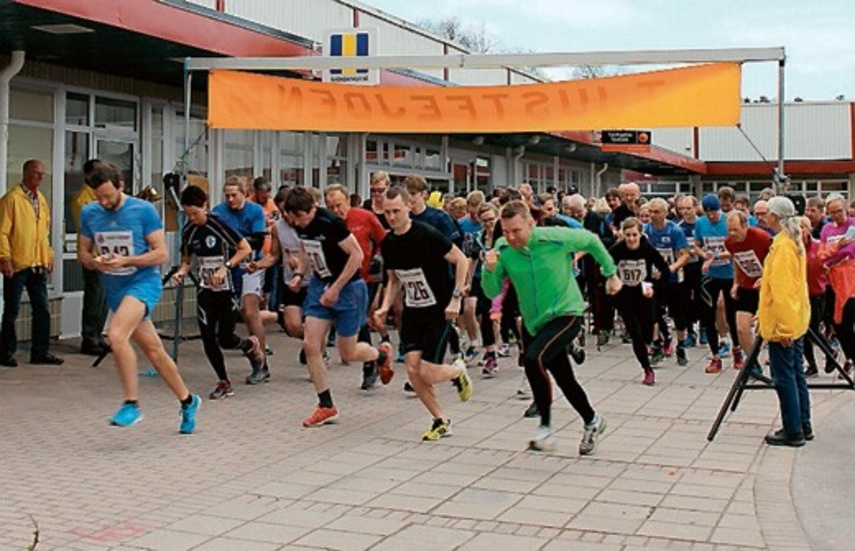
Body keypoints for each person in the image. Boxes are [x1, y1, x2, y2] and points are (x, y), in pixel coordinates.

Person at [482, 200, 622, 454]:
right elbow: (491, 290)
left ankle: (545, 428)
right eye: (506, 231)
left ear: (531, 224)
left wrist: (610, 272)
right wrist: (489, 270)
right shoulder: (503, 250)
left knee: (533, 359)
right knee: (564, 378)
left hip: (566, 312)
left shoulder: (553, 238)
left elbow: (590, 240)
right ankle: (593, 420)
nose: (511, 237)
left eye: (517, 230)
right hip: (535, 322)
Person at [77, 161, 200, 432]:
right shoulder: (89, 213)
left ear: (121, 185)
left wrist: (126, 260)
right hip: (115, 288)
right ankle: (188, 400)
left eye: (109, 195)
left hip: (144, 282)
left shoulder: (142, 210)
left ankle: (131, 403)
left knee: (116, 335)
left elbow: (161, 254)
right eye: (99, 197)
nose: (105, 201)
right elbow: (82, 254)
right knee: (154, 351)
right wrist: (97, 262)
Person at [284, 186, 393, 428]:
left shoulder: (331, 223)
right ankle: (325, 405)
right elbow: (305, 250)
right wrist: (299, 273)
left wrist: (336, 288)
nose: (298, 223)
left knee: (348, 354)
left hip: (348, 289)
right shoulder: (301, 226)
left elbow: (356, 256)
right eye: (293, 219)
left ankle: (381, 355)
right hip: (319, 286)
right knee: (311, 344)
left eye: (300, 217)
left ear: (312, 209)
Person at [373, 187, 473, 440]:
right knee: (412, 370)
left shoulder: (426, 234)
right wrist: (385, 306)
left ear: (409, 207)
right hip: (413, 312)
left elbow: (461, 260)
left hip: (438, 311)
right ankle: (440, 420)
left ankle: (458, 371)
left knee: (427, 371)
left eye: (396, 211)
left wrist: (456, 298)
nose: (392, 217)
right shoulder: (389, 243)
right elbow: (394, 279)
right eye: (387, 213)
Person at [173, 185, 263, 400]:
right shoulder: (188, 230)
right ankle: (224, 381)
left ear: (205, 206)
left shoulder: (219, 224)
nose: (192, 218)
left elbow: (245, 249)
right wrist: (182, 272)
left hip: (228, 287)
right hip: (206, 288)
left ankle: (249, 344)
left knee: (226, 338)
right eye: (188, 214)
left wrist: (226, 267)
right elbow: (187, 259)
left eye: (195, 213)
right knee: (207, 337)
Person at [758, 196, 811, 447]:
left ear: (775, 217)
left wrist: (783, 329)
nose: (764, 216)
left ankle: (793, 429)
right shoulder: (792, 241)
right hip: (796, 319)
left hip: (784, 324)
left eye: (767, 212)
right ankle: (803, 423)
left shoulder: (782, 246)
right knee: (797, 374)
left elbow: (782, 292)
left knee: (785, 377)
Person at [324, 183, 388, 389]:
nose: (335, 211)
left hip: (364, 278)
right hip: (337, 279)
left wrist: (378, 260)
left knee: (360, 321)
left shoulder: (364, 217)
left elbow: (384, 241)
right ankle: (364, 354)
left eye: (339, 205)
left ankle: (370, 365)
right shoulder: (326, 222)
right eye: (330, 206)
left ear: (348, 201)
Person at [0, 159, 63, 367]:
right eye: (37, 173)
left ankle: (40, 352)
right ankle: (6, 352)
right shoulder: (12, 199)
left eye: (42, 174)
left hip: (37, 264)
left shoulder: (41, 200)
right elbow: (2, 232)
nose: (41, 177)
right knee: (12, 310)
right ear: (26, 173)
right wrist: (5, 258)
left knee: (41, 309)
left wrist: (49, 255)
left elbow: (43, 233)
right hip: (17, 264)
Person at [212, 176, 273, 384]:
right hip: (226, 267)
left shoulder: (255, 211)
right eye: (227, 195)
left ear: (244, 194)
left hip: (250, 266)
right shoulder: (218, 212)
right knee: (228, 316)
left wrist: (238, 243)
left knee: (249, 310)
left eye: (234, 195)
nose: (230, 199)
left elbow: (258, 239)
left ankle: (261, 363)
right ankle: (249, 345)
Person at [609, 217, 672, 385]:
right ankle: (647, 369)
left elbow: (665, 270)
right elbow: (605, 267)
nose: (630, 239)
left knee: (646, 331)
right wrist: (612, 280)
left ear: (640, 234)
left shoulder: (648, 250)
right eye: (627, 235)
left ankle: (656, 342)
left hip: (645, 295)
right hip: (626, 296)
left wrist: (654, 285)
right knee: (635, 335)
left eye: (634, 235)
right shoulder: (617, 250)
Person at [694, 194, 739, 374]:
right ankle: (715, 356)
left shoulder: (728, 222)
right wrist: (703, 254)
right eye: (708, 213)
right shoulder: (701, 223)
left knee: (732, 313)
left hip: (728, 273)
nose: (712, 216)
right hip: (710, 275)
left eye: (714, 212)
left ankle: (737, 351)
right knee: (708, 315)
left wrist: (717, 256)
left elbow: (735, 249)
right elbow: (697, 245)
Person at [644, 198, 691, 366]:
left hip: (672, 279)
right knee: (653, 312)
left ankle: (681, 346)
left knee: (677, 313)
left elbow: (685, 255)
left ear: (665, 213)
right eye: (650, 212)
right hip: (652, 278)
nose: (653, 216)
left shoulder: (674, 231)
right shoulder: (646, 230)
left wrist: (670, 268)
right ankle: (656, 344)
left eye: (656, 212)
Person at [723, 210, 772, 370]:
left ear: (745, 226)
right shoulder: (729, 242)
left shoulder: (761, 237)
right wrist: (736, 283)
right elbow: (737, 261)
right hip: (746, 286)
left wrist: (766, 277)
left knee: (767, 329)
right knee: (741, 327)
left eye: (735, 229)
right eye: (729, 230)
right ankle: (752, 363)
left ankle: (773, 358)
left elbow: (774, 260)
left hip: (766, 287)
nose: (732, 234)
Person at [71, 159, 110, 356]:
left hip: (107, 255)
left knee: (104, 299)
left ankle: (98, 334)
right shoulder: (83, 200)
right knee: (94, 298)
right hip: (93, 256)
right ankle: (89, 338)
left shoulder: (101, 196)